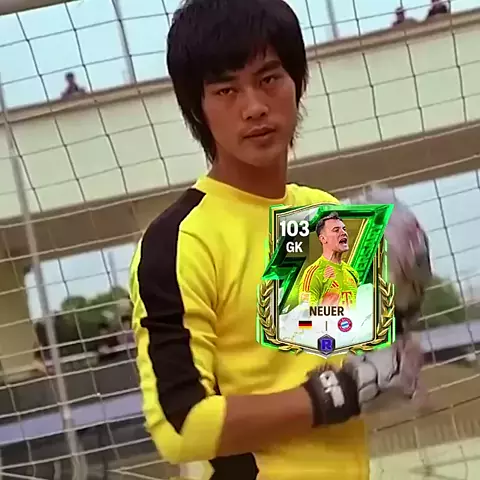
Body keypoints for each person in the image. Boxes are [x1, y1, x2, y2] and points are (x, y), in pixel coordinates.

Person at [129, 1, 423, 478]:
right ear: (198, 108)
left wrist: (400, 319)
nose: (254, 107)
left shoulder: (323, 214)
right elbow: (182, 426)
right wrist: (333, 395)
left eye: (269, 78)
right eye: (226, 89)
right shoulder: (180, 240)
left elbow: (348, 371)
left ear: (297, 82)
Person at [298, 212, 359, 308]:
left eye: (344, 229)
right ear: (323, 239)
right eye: (336, 230)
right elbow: (304, 313)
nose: (343, 233)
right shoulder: (313, 274)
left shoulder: (352, 272)